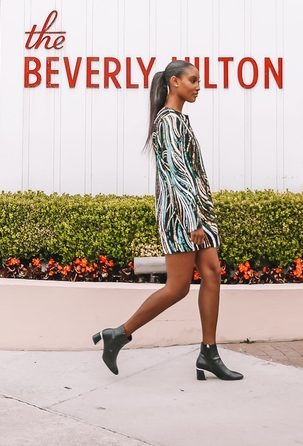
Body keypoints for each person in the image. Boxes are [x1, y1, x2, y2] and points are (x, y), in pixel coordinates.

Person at [92, 59, 243, 382]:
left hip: (197, 211)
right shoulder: (168, 122)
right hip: (182, 215)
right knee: (178, 288)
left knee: (212, 274)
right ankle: (118, 334)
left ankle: (209, 352)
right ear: (175, 82)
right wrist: (192, 221)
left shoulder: (178, 120)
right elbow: (177, 175)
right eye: (193, 80)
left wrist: (200, 214)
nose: (198, 86)